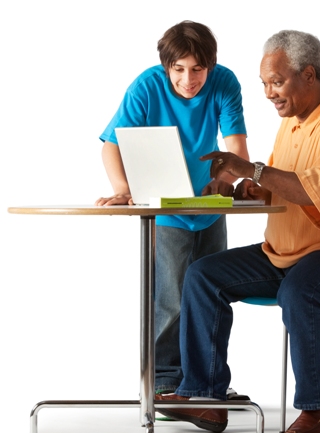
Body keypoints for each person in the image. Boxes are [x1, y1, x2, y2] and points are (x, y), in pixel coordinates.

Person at [156, 29, 320, 433]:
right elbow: (276, 187)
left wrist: (252, 169)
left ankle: (319, 408)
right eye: (263, 83)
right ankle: (207, 399)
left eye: (276, 82)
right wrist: (239, 188)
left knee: (301, 290)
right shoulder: (294, 123)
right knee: (203, 275)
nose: (268, 93)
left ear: (309, 75)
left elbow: (311, 191)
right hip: (285, 252)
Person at [95, 20, 249, 395]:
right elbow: (111, 144)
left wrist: (226, 180)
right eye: (178, 69)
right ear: (167, 66)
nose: (188, 79)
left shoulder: (224, 83)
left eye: (198, 69)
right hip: (164, 208)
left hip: (210, 206)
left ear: (210, 65)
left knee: (213, 298)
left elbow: (238, 151)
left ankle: (207, 382)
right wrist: (123, 188)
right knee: (171, 301)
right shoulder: (147, 85)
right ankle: (165, 383)